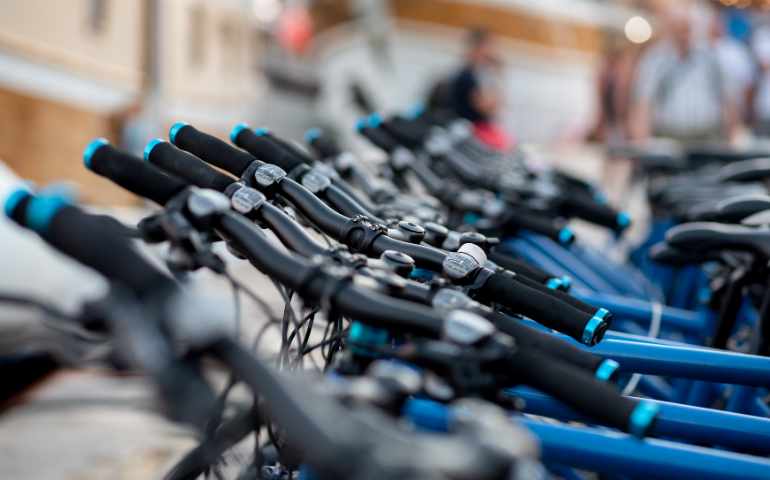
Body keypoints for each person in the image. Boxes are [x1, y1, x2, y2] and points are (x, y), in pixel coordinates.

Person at [629, 5, 735, 144]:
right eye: (679, 28)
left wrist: (730, 136)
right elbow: (644, 101)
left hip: (706, 135)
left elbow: (725, 97)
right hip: (669, 136)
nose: (683, 33)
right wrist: (641, 141)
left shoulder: (708, 57)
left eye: (686, 28)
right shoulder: (657, 58)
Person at [449, 28, 513, 150]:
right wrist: (499, 75)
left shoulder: (474, 74)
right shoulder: (465, 76)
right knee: (505, 146)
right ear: (479, 48)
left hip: (477, 128)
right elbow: (488, 108)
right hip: (471, 130)